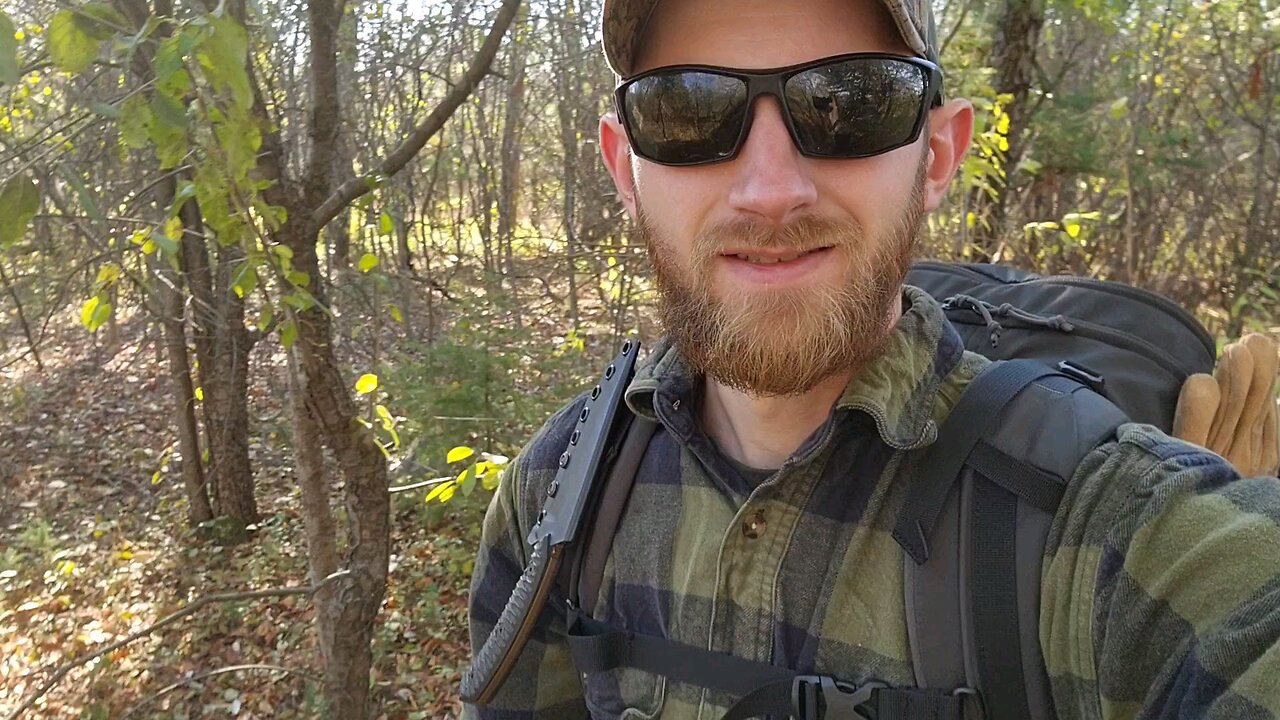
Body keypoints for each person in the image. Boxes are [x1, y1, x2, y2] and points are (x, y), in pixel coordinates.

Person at [463, 0, 1280, 717]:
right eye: (690, 110)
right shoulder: (557, 500)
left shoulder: (1098, 528)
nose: (771, 190)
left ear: (937, 156)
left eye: (851, 103)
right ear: (625, 168)